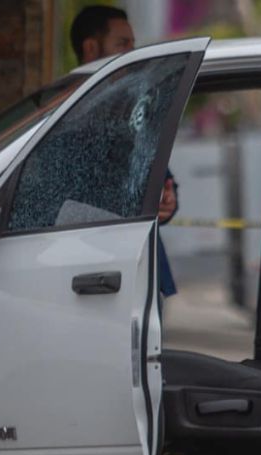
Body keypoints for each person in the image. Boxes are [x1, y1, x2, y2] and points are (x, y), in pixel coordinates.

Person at [71, 5, 178, 297]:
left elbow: (158, 178)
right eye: (122, 44)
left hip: (146, 272)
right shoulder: (65, 118)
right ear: (91, 48)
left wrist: (166, 201)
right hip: (90, 276)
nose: (133, 53)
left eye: (133, 43)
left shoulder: (135, 109)